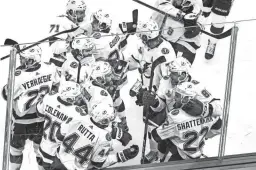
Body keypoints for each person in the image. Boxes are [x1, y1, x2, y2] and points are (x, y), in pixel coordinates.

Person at [1, 45, 60, 170]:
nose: (21, 61)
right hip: (42, 119)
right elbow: (56, 85)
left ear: (31, 60)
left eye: (23, 58)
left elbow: (6, 95)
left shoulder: (18, 76)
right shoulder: (50, 68)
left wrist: (8, 85)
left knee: (15, 150)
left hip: (21, 122)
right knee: (40, 151)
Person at [52, 102, 139, 170]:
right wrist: (121, 156)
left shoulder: (78, 117)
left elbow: (58, 135)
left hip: (57, 160)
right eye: (111, 119)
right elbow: (98, 163)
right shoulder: (104, 138)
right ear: (104, 121)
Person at [150, 82, 222, 161]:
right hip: (197, 153)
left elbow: (155, 135)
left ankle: (159, 157)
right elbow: (219, 128)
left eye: (177, 96)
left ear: (186, 99)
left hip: (181, 156)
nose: (174, 98)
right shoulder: (209, 115)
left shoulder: (176, 117)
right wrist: (201, 133)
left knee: (165, 141)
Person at [36, 81, 87, 169]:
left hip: (43, 147)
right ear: (69, 98)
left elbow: (39, 112)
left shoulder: (49, 97)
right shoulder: (76, 113)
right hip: (57, 155)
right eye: (76, 96)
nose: (79, 98)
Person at [151, 0, 204, 64]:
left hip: (173, 40)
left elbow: (201, 23)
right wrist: (181, 14)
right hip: (156, 34)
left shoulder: (196, 9)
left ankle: (182, 70)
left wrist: (197, 28)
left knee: (191, 49)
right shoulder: (166, 3)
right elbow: (161, 5)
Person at [49, 0, 92, 67]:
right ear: (71, 12)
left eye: (83, 12)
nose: (84, 15)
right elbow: (54, 47)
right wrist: (72, 44)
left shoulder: (84, 23)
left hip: (81, 59)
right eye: (80, 12)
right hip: (63, 63)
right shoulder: (60, 21)